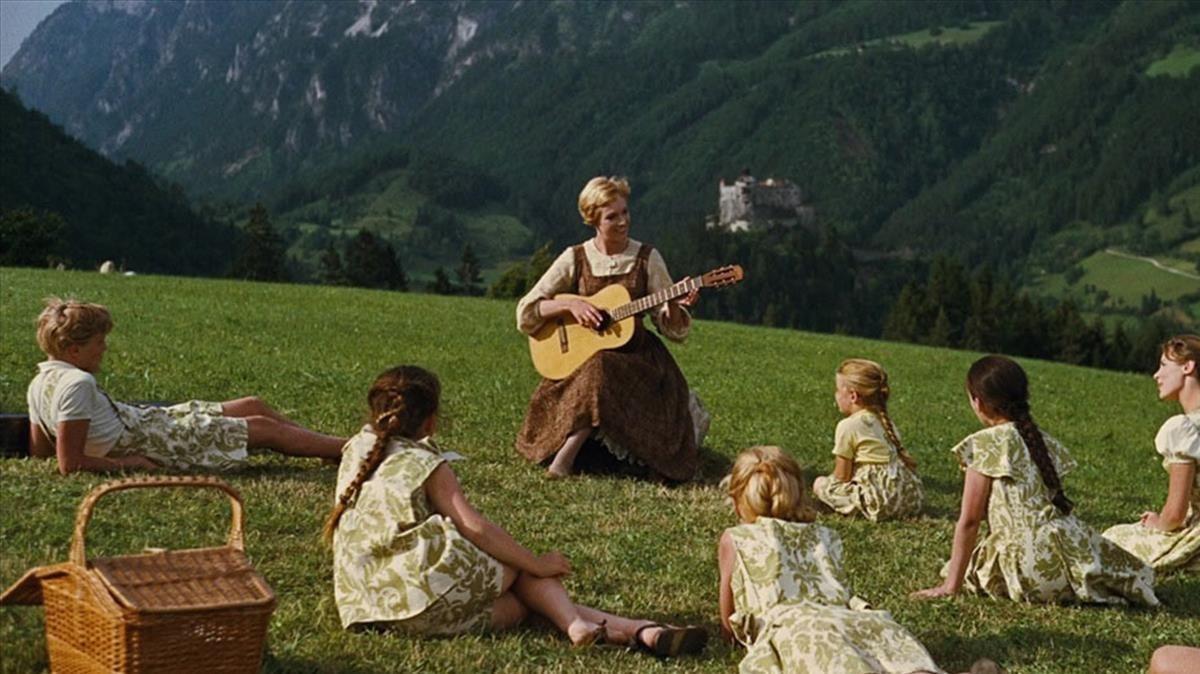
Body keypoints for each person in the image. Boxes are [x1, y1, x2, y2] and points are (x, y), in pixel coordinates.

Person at [326, 364, 707, 654]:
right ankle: (599, 625)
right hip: (421, 595)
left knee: (517, 605)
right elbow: (474, 527)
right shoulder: (427, 464)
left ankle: (633, 630)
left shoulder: (356, 450)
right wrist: (536, 562)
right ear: (430, 421)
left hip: (370, 605)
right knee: (518, 567)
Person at [911, 355, 1158, 606]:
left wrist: (950, 586)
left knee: (958, 568)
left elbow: (970, 520)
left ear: (978, 402)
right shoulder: (1041, 440)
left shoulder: (985, 444)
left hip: (1029, 567)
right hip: (1068, 553)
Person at [515, 176, 702, 480]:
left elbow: (671, 328)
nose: (622, 222)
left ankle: (567, 457)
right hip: (583, 360)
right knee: (597, 365)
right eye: (612, 216)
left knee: (601, 366)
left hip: (638, 362)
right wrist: (571, 305)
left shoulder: (647, 258)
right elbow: (527, 311)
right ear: (593, 220)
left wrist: (673, 305)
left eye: (625, 212)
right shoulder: (575, 258)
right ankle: (570, 451)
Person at [26, 297, 345, 474]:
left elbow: (41, 449)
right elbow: (70, 463)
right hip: (150, 440)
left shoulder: (41, 380)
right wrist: (130, 463)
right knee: (262, 427)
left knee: (252, 404)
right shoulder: (78, 383)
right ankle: (352, 448)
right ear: (74, 350)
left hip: (142, 422)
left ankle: (324, 448)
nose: (104, 348)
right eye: (99, 342)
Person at [717, 445, 945, 674]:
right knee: (896, 657)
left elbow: (729, 621)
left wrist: (735, 638)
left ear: (737, 499)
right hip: (852, 620)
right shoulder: (825, 536)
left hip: (798, 630)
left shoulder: (736, 539)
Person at [1103, 335, 1200, 573]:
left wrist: (1159, 523)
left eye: (1164, 366)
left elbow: (1175, 514)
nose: (1157, 375)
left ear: (1188, 367)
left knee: (1111, 539)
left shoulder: (1183, 429)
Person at [812, 358, 923, 521]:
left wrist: (827, 484)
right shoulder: (885, 422)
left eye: (837, 390)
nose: (835, 395)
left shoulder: (847, 426)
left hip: (880, 502)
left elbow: (842, 476)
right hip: (909, 499)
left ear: (853, 396)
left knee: (820, 484)